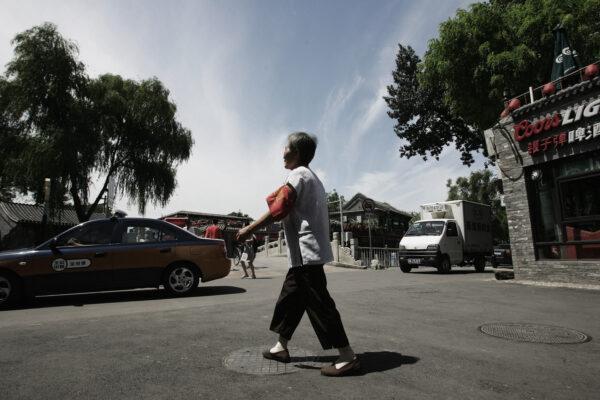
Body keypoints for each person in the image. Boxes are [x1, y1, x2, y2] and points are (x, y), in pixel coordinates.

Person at [236, 132, 359, 377]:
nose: (282, 151)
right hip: (304, 254)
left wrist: (249, 228)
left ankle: (347, 355)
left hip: (306, 252)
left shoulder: (298, 174)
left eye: (286, 147)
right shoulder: (311, 178)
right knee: (292, 299)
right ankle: (281, 346)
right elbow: (280, 201)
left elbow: (278, 209)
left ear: (297, 153)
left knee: (319, 303)